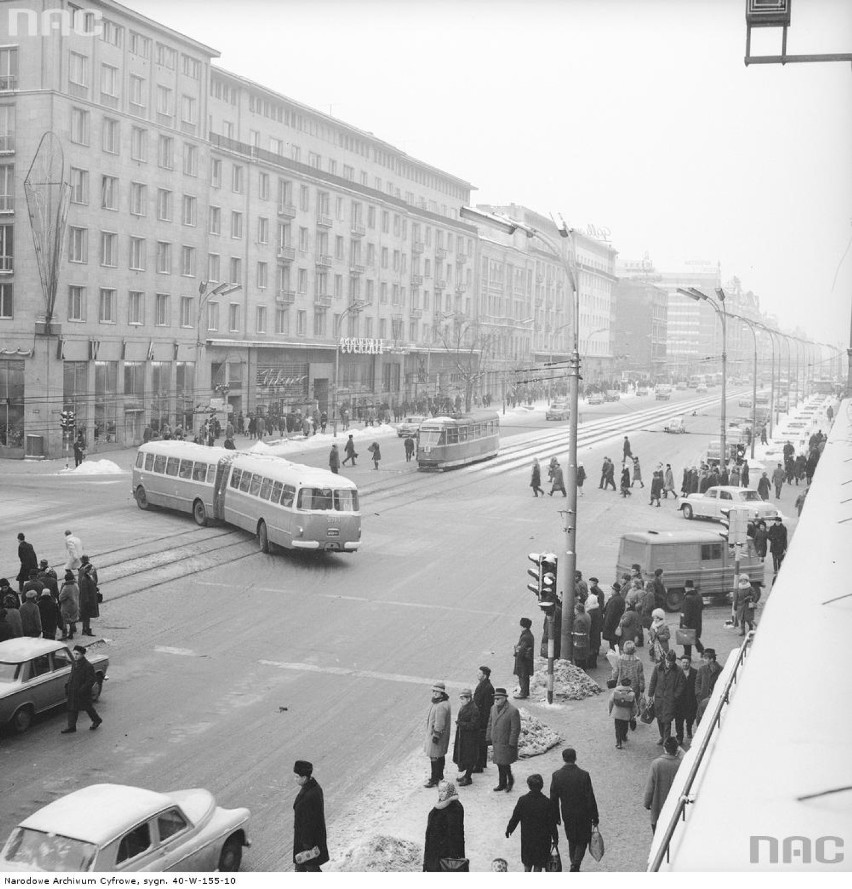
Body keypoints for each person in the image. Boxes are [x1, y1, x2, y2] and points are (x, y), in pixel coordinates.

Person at [549, 748, 599, 872]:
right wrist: (595, 816)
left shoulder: (557, 775)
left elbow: (553, 798)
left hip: (567, 813)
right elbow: (590, 797)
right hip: (583, 813)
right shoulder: (584, 775)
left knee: (571, 838)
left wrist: (556, 816)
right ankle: (576, 864)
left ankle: (574, 863)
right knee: (583, 839)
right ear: (575, 758)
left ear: (563, 758)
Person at [506, 774, 559, 872]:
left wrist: (510, 829)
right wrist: (555, 838)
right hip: (542, 839)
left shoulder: (523, 800)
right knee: (538, 865)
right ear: (542, 786)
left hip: (528, 838)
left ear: (529, 786)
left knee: (527, 864)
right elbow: (552, 824)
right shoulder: (547, 803)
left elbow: (515, 817)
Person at [292, 760, 329, 872]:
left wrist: (307, 844)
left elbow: (309, 822)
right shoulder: (314, 788)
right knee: (300, 867)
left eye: (297, 776)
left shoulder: (309, 795)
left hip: (307, 841)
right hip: (307, 839)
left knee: (310, 867)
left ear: (304, 778)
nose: (295, 779)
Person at [423, 780, 465, 872]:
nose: (441, 794)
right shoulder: (442, 803)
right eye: (439, 791)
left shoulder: (455, 808)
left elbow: (454, 834)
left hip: (445, 852)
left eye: (444, 791)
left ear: (449, 791)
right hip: (435, 848)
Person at [643, 737, 682, 833]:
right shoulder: (680, 764)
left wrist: (647, 803)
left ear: (665, 749)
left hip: (658, 807)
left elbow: (650, 787)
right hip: (674, 809)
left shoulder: (656, 764)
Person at [486, 688, 521, 792]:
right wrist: (488, 737)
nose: (496, 700)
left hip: (505, 742)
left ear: (505, 698)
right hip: (497, 740)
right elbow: (490, 723)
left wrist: (512, 742)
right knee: (499, 763)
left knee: (505, 763)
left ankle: (509, 780)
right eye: (495, 698)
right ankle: (502, 783)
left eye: (498, 698)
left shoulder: (512, 711)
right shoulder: (493, 708)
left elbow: (515, 728)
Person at [61, 645, 102, 733]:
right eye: (74, 654)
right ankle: (71, 726)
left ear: (82, 655)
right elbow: (72, 676)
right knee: (72, 708)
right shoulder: (74, 663)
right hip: (73, 690)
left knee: (88, 707)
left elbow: (90, 680)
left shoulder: (88, 666)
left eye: (77, 654)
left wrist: (82, 690)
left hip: (82, 692)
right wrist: (68, 685)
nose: (75, 656)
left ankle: (97, 720)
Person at [648, 650, 686, 745]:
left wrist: (675, 696)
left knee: (667, 720)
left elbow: (682, 685)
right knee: (659, 718)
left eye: (671, 663)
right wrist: (650, 695)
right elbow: (653, 682)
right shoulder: (657, 668)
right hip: (659, 699)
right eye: (668, 662)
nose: (669, 664)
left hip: (670, 700)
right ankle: (662, 736)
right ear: (665, 660)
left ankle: (666, 740)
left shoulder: (679, 671)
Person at [424, 681, 452, 788]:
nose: (435, 693)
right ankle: (439, 776)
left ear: (442, 693)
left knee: (434, 757)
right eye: (434, 691)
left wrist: (435, 736)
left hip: (437, 736)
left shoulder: (441, 705)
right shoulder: (441, 702)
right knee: (439, 756)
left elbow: (439, 723)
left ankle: (434, 778)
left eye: (437, 691)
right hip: (440, 736)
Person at [452, 689, 479, 786]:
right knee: (465, 756)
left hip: (470, 738)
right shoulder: (465, 706)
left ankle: (468, 778)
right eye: (461, 699)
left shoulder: (474, 709)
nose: (461, 701)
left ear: (469, 698)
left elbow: (474, 725)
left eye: (463, 699)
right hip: (463, 737)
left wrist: (461, 724)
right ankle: (466, 775)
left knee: (470, 758)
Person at [473, 666, 494, 773]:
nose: (477, 674)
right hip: (480, 719)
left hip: (481, 721)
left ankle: (479, 765)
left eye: (479, 673)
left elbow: (487, 708)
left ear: (484, 676)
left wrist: (483, 723)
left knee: (480, 743)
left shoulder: (488, 688)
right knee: (481, 743)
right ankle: (482, 763)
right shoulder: (483, 685)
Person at [675, 655, 698, 744]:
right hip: (680, 701)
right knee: (679, 720)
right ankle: (679, 737)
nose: (685, 664)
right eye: (683, 662)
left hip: (691, 700)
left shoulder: (695, 672)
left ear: (689, 663)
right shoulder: (677, 672)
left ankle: (689, 729)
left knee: (690, 718)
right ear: (681, 663)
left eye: (687, 663)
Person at [695, 648, 722, 724]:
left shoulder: (721, 670)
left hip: (714, 698)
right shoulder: (702, 669)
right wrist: (698, 694)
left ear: (712, 659)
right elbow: (697, 682)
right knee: (700, 718)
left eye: (706, 658)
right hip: (702, 697)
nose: (704, 660)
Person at [609, 676, 636, 749]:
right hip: (626, 713)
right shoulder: (631, 692)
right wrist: (633, 714)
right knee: (624, 726)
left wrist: (610, 711)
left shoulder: (616, 691)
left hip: (617, 713)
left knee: (617, 728)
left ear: (620, 683)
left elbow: (611, 701)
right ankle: (624, 737)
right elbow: (634, 704)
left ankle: (618, 742)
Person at [679, 580, 704, 658]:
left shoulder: (687, 598)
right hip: (696, 621)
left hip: (688, 622)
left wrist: (685, 623)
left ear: (687, 588)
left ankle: (687, 656)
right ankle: (702, 650)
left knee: (686, 640)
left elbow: (687, 612)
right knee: (694, 637)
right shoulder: (699, 596)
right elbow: (702, 607)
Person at [513, 617, 534, 699]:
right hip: (526, 660)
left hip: (523, 661)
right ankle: (525, 692)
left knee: (522, 676)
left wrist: (517, 655)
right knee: (524, 676)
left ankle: (523, 693)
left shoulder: (525, 636)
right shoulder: (528, 635)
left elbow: (522, 650)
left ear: (523, 626)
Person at [601, 583, 625, 651]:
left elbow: (610, 614)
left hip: (612, 624)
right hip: (617, 622)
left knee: (612, 641)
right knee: (615, 640)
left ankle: (613, 653)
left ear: (614, 590)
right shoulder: (620, 599)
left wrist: (606, 624)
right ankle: (614, 652)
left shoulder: (614, 600)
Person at [77, 562, 99, 637]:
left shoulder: (89, 577)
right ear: (88, 570)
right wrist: (87, 601)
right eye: (91, 569)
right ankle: (86, 630)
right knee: (86, 616)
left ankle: (85, 630)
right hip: (87, 601)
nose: (93, 570)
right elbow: (84, 591)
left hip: (90, 599)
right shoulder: (85, 579)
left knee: (87, 617)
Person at [58, 570, 79, 640]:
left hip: (66, 607)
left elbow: (60, 598)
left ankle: (64, 635)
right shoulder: (76, 585)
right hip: (75, 605)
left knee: (64, 621)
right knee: (73, 620)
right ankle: (71, 634)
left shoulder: (66, 587)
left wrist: (61, 588)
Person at [571, 602, 591, 670]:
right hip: (586, 640)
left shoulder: (579, 620)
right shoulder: (587, 615)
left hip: (579, 642)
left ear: (577, 610)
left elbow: (578, 632)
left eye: (575, 609)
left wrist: (572, 633)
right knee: (584, 658)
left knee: (579, 659)